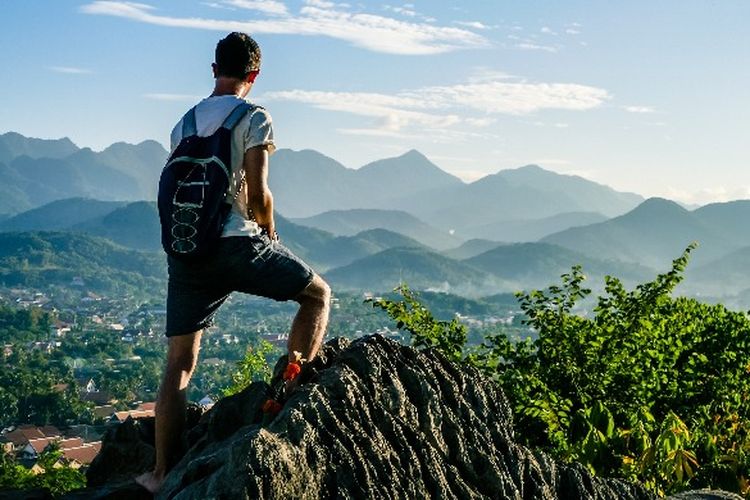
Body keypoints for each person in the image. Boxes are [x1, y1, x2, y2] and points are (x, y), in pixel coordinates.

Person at [136, 32, 331, 494]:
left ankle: (162, 474)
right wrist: (268, 231)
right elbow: (259, 191)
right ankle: (290, 387)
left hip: (187, 253)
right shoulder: (254, 116)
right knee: (316, 295)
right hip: (236, 244)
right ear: (255, 75)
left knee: (179, 363)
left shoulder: (183, 123)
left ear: (213, 70)